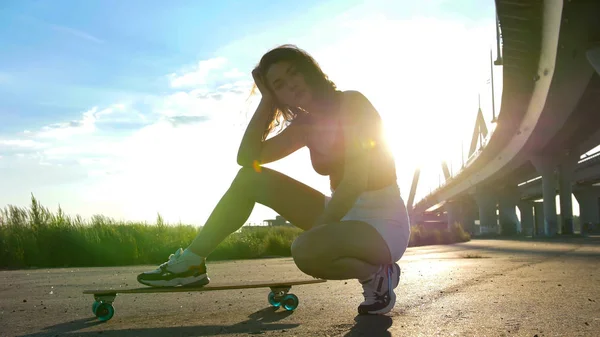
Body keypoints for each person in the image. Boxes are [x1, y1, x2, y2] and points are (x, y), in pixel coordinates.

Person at [137, 44, 411, 315]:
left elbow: (354, 182)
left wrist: (320, 233)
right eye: (279, 84)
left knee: (305, 250)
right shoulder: (304, 125)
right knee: (249, 179)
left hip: (382, 222)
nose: (290, 85)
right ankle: (191, 263)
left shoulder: (351, 103)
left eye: (294, 73)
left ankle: (376, 273)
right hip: (343, 212)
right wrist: (266, 99)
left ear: (309, 72)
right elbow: (247, 158)